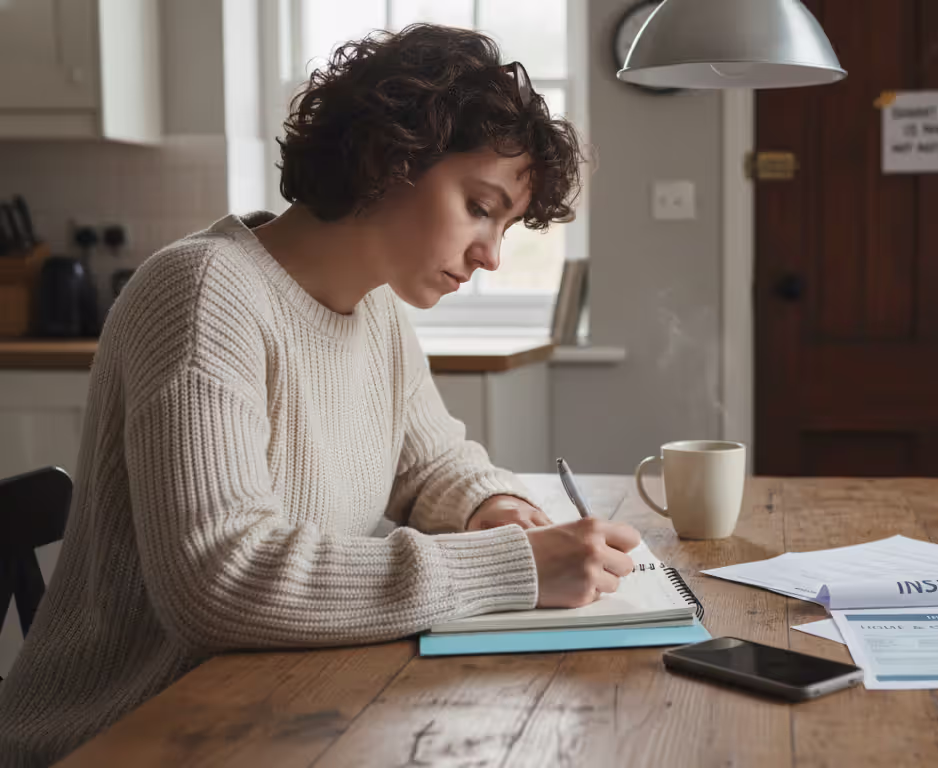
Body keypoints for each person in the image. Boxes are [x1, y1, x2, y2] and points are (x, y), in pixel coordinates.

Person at [0, 25, 639, 766]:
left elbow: (431, 465)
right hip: (128, 734)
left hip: (281, 710)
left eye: (503, 224)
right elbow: (221, 579)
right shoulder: (205, 293)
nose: (491, 254)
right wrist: (511, 567)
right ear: (390, 157)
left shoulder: (377, 313)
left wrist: (490, 509)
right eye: (478, 205)